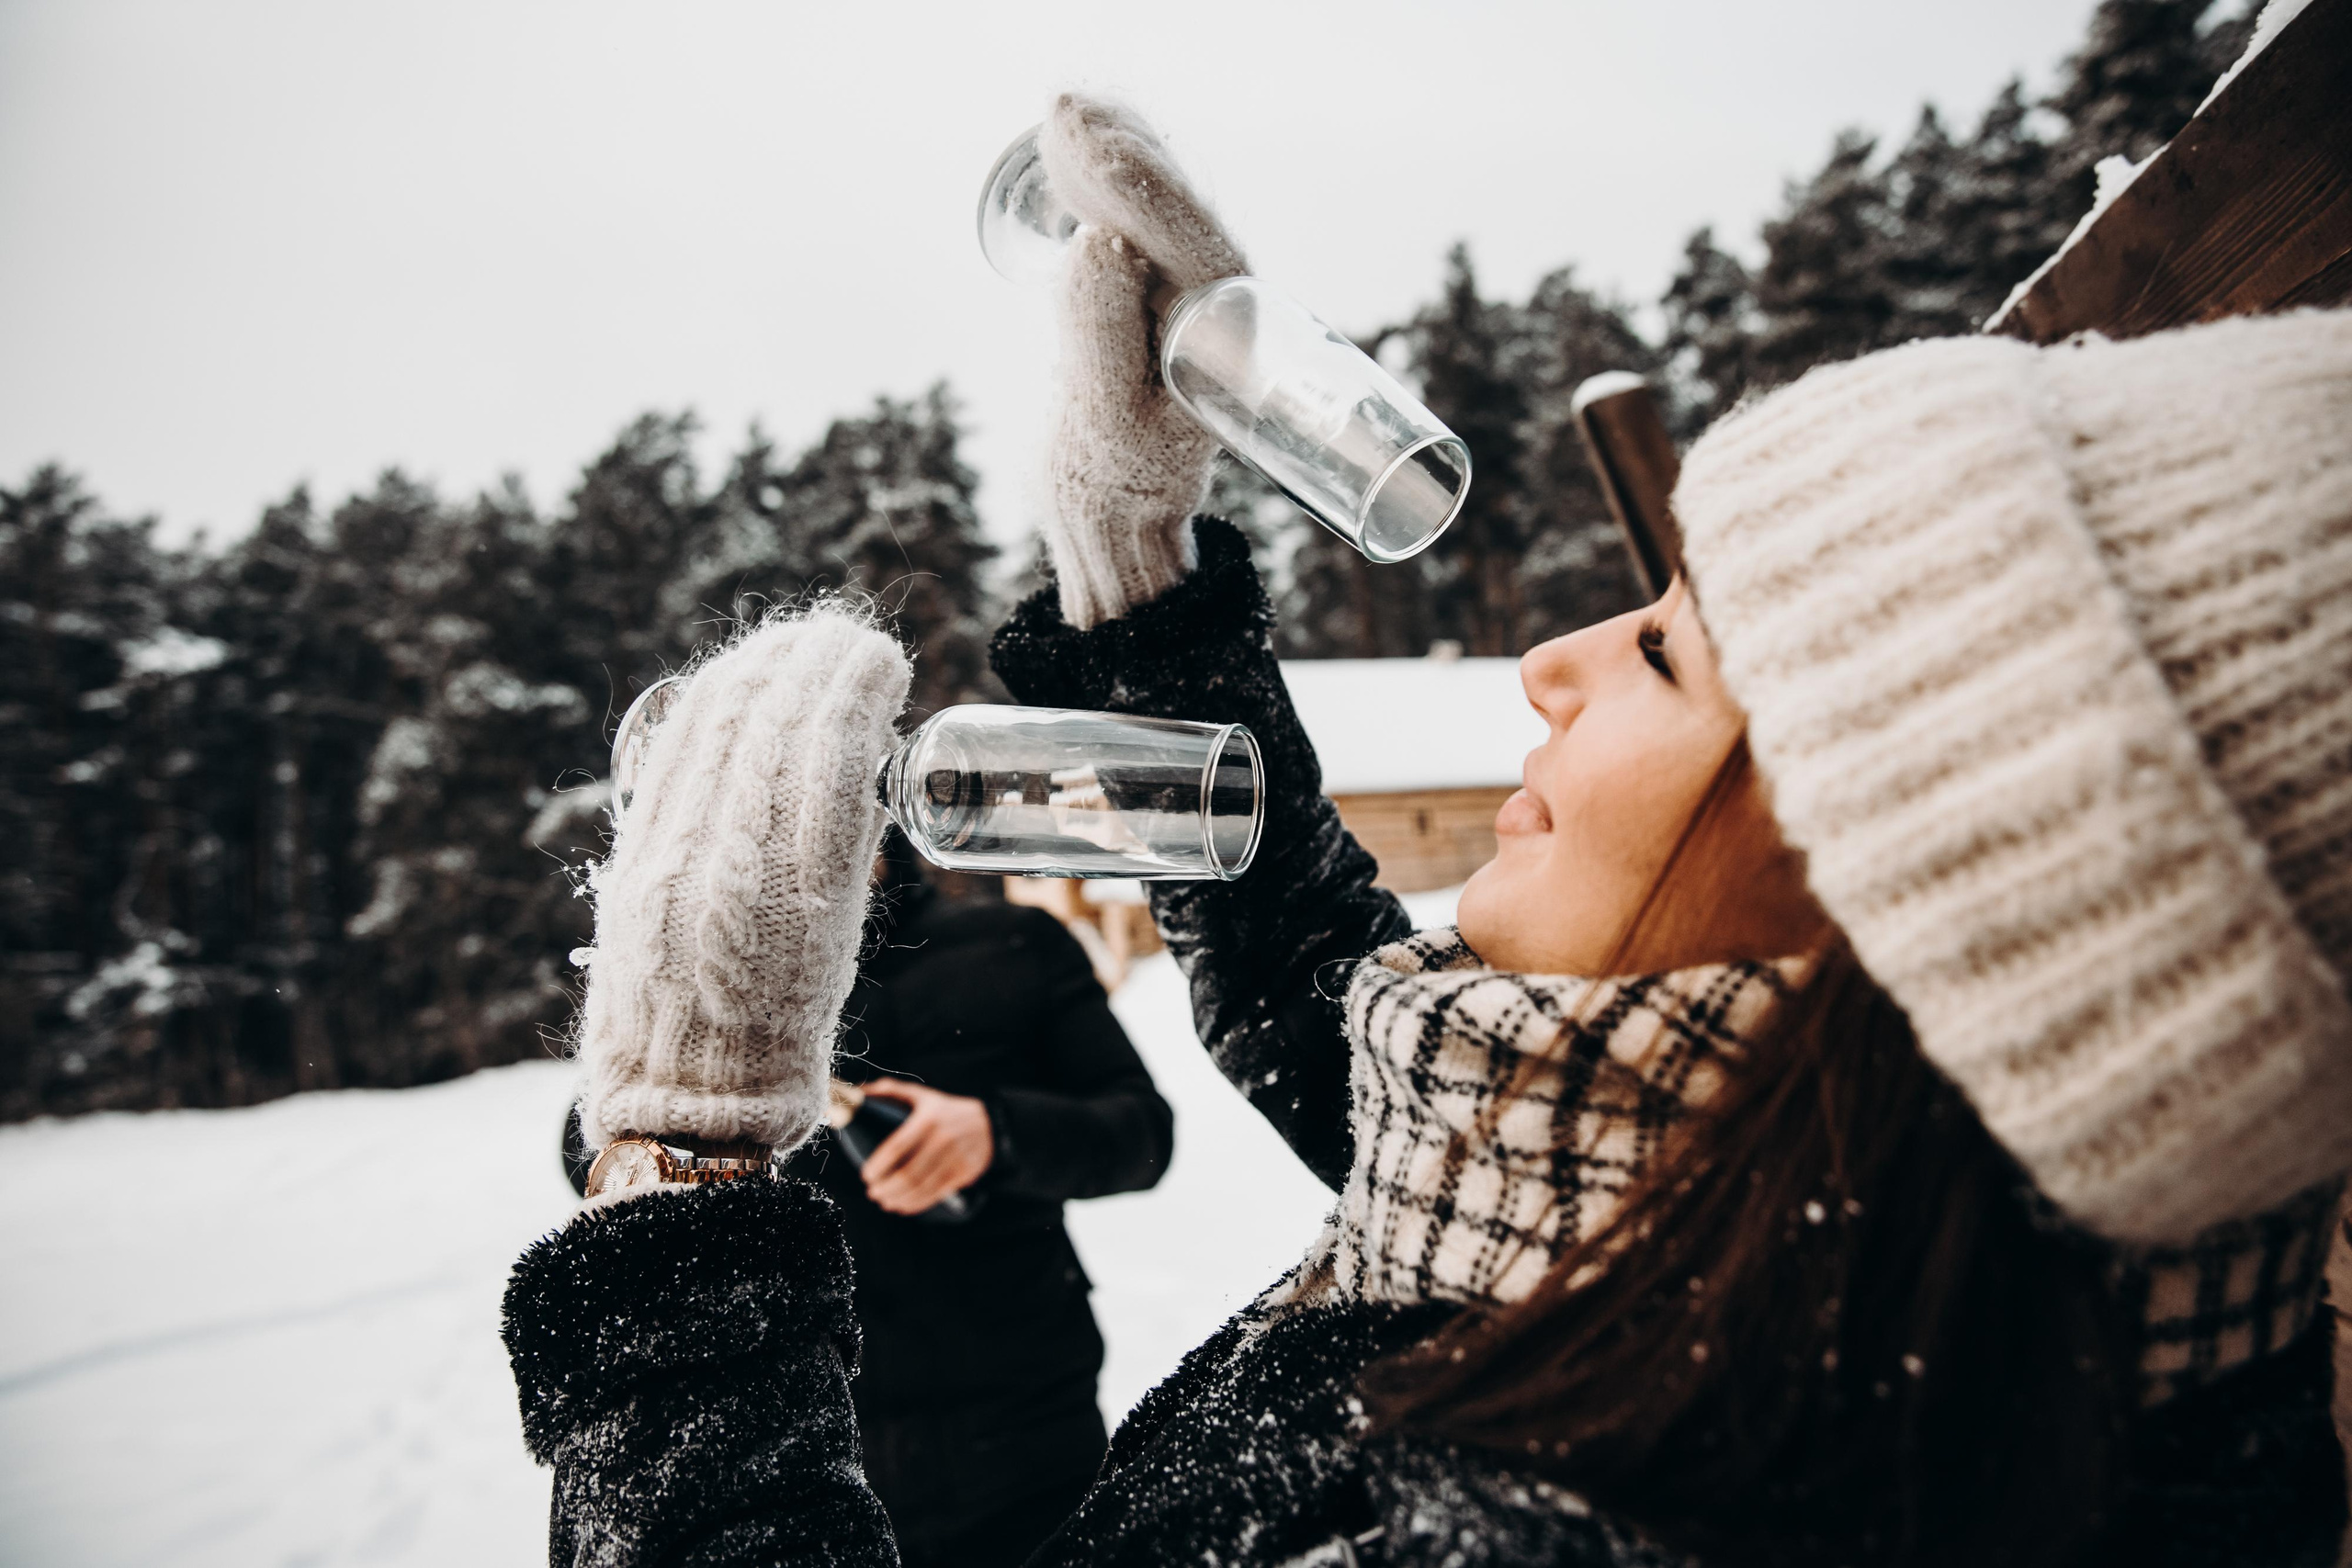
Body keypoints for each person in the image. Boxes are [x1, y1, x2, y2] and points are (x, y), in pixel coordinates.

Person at [502, 96, 2352, 1567]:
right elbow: (1348, 1000)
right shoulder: (1818, 1254)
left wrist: (682, 1179)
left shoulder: (1640, 1511)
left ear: (1936, 871)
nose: (1551, 660)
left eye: (1662, 651)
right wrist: (1138, 580)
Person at [794, 829, 1172, 1568]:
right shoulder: (722, 998)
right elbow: (592, 1147)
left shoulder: (1016, 940)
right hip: (818, 1466)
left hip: (1032, 1438)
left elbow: (1143, 1134)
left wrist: (995, 1132)